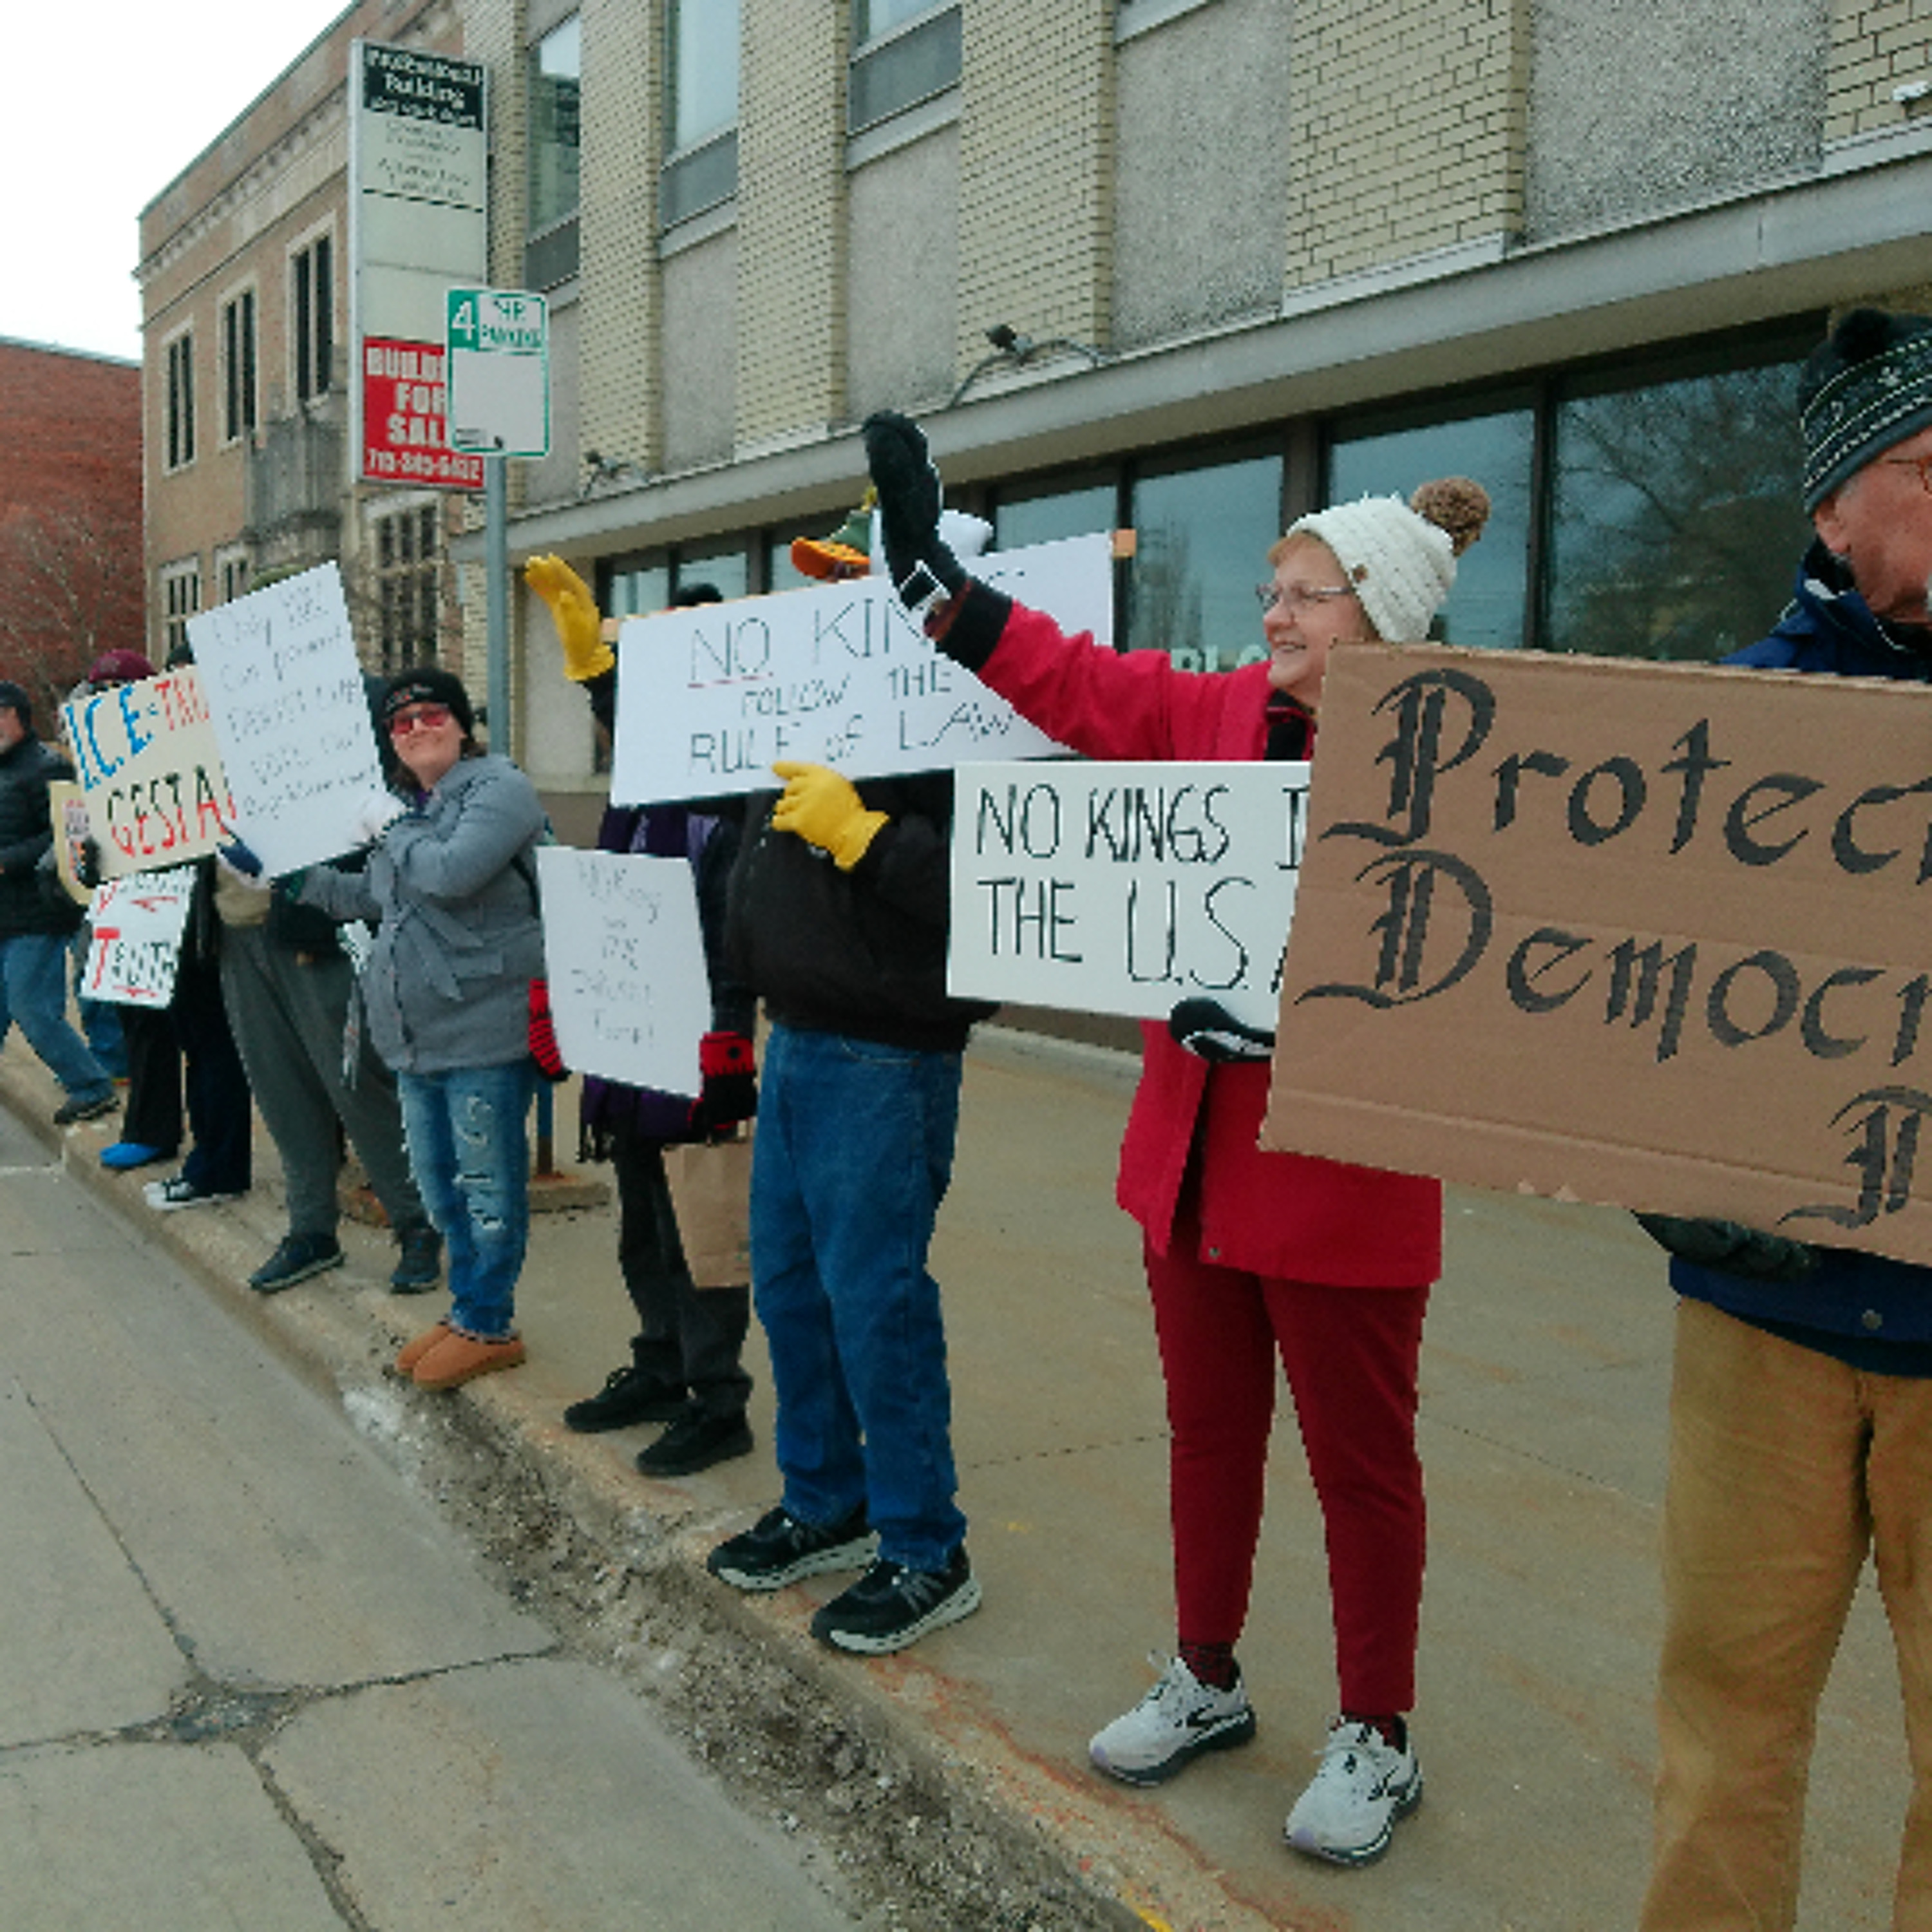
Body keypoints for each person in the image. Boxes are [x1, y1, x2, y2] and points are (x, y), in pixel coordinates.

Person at [864, 408, 1490, 1866]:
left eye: (1306, 595)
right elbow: (1071, 681)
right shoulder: (1210, 715)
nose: (1273, 613)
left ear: (1380, 620)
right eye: (1272, 589)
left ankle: (1376, 1729)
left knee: (1360, 1468)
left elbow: (1466, 978)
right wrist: (936, 588)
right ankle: (1206, 1671)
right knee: (1208, 1436)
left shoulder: (1448, 768)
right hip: (1193, 1168)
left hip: (1340, 1181)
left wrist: (1307, 1030)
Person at [1629, 307, 1932, 1932]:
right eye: (1930, 471)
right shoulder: (1714, 739)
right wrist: (1663, 1174)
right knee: (1723, 1736)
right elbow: (1596, 1010)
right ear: (1832, 507)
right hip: (1763, 1327)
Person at [693, 510, 996, 1657]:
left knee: (877, 1303)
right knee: (791, 1289)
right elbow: (740, 860)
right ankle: (827, 1498)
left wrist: (869, 835)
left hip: (888, 1053)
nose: (833, 600)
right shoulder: (811, 699)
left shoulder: (973, 711)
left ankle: (926, 1546)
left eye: (857, 579)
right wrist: (733, 1018)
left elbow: (993, 887)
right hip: (803, 1040)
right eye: (829, 580)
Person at [523, 563, 760, 1479]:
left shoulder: (732, 798)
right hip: (629, 1045)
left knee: (698, 1227)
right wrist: (567, 999)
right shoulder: (637, 792)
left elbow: (737, 932)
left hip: (697, 1044)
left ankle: (718, 1400)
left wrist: (729, 1039)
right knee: (642, 1225)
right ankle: (660, 1364)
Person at [294, 667, 546, 1392]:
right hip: (414, 1037)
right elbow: (374, 897)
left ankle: (490, 1323)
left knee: (488, 1188)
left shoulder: (499, 790)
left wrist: (392, 827)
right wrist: (289, 879)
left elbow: (450, 872)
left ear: (463, 725)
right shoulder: (407, 807)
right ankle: (468, 1308)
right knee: (441, 1188)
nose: (417, 730)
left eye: (433, 715)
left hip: (486, 1029)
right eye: (401, 723)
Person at [0, 677, 120, 1127]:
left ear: (20, 717)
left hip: (38, 915)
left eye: (0, 715)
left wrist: (7, 861)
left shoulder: (49, 768)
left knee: (32, 1007)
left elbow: (66, 836)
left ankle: (91, 1086)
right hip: (4, 914)